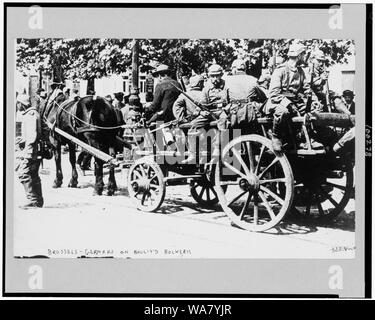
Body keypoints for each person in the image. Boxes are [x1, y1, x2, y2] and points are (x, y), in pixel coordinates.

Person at [267, 43, 312, 152]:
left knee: (311, 114)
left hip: (295, 102)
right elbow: (273, 93)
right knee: (284, 112)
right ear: (299, 55)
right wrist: (289, 104)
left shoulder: (300, 71)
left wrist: (311, 98)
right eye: (304, 54)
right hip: (277, 102)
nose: (305, 57)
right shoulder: (280, 70)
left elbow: (306, 89)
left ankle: (302, 139)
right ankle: (276, 136)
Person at [15, 94, 44, 208]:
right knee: (33, 174)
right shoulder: (32, 113)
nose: (17, 105)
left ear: (21, 104)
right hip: (34, 150)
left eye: (18, 103)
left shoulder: (30, 115)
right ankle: (38, 201)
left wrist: (27, 153)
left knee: (23, 172)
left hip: (31, 151)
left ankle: (32, 199)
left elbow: (32, 136)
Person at [172, 75, 206, 164]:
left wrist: (181, 118)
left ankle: (189, 153)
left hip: (192, 122)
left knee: (178, 130)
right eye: (202, 82)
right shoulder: (205, 93)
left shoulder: (186, 95)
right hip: (205, 121)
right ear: (199, 83)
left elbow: (176, 106)